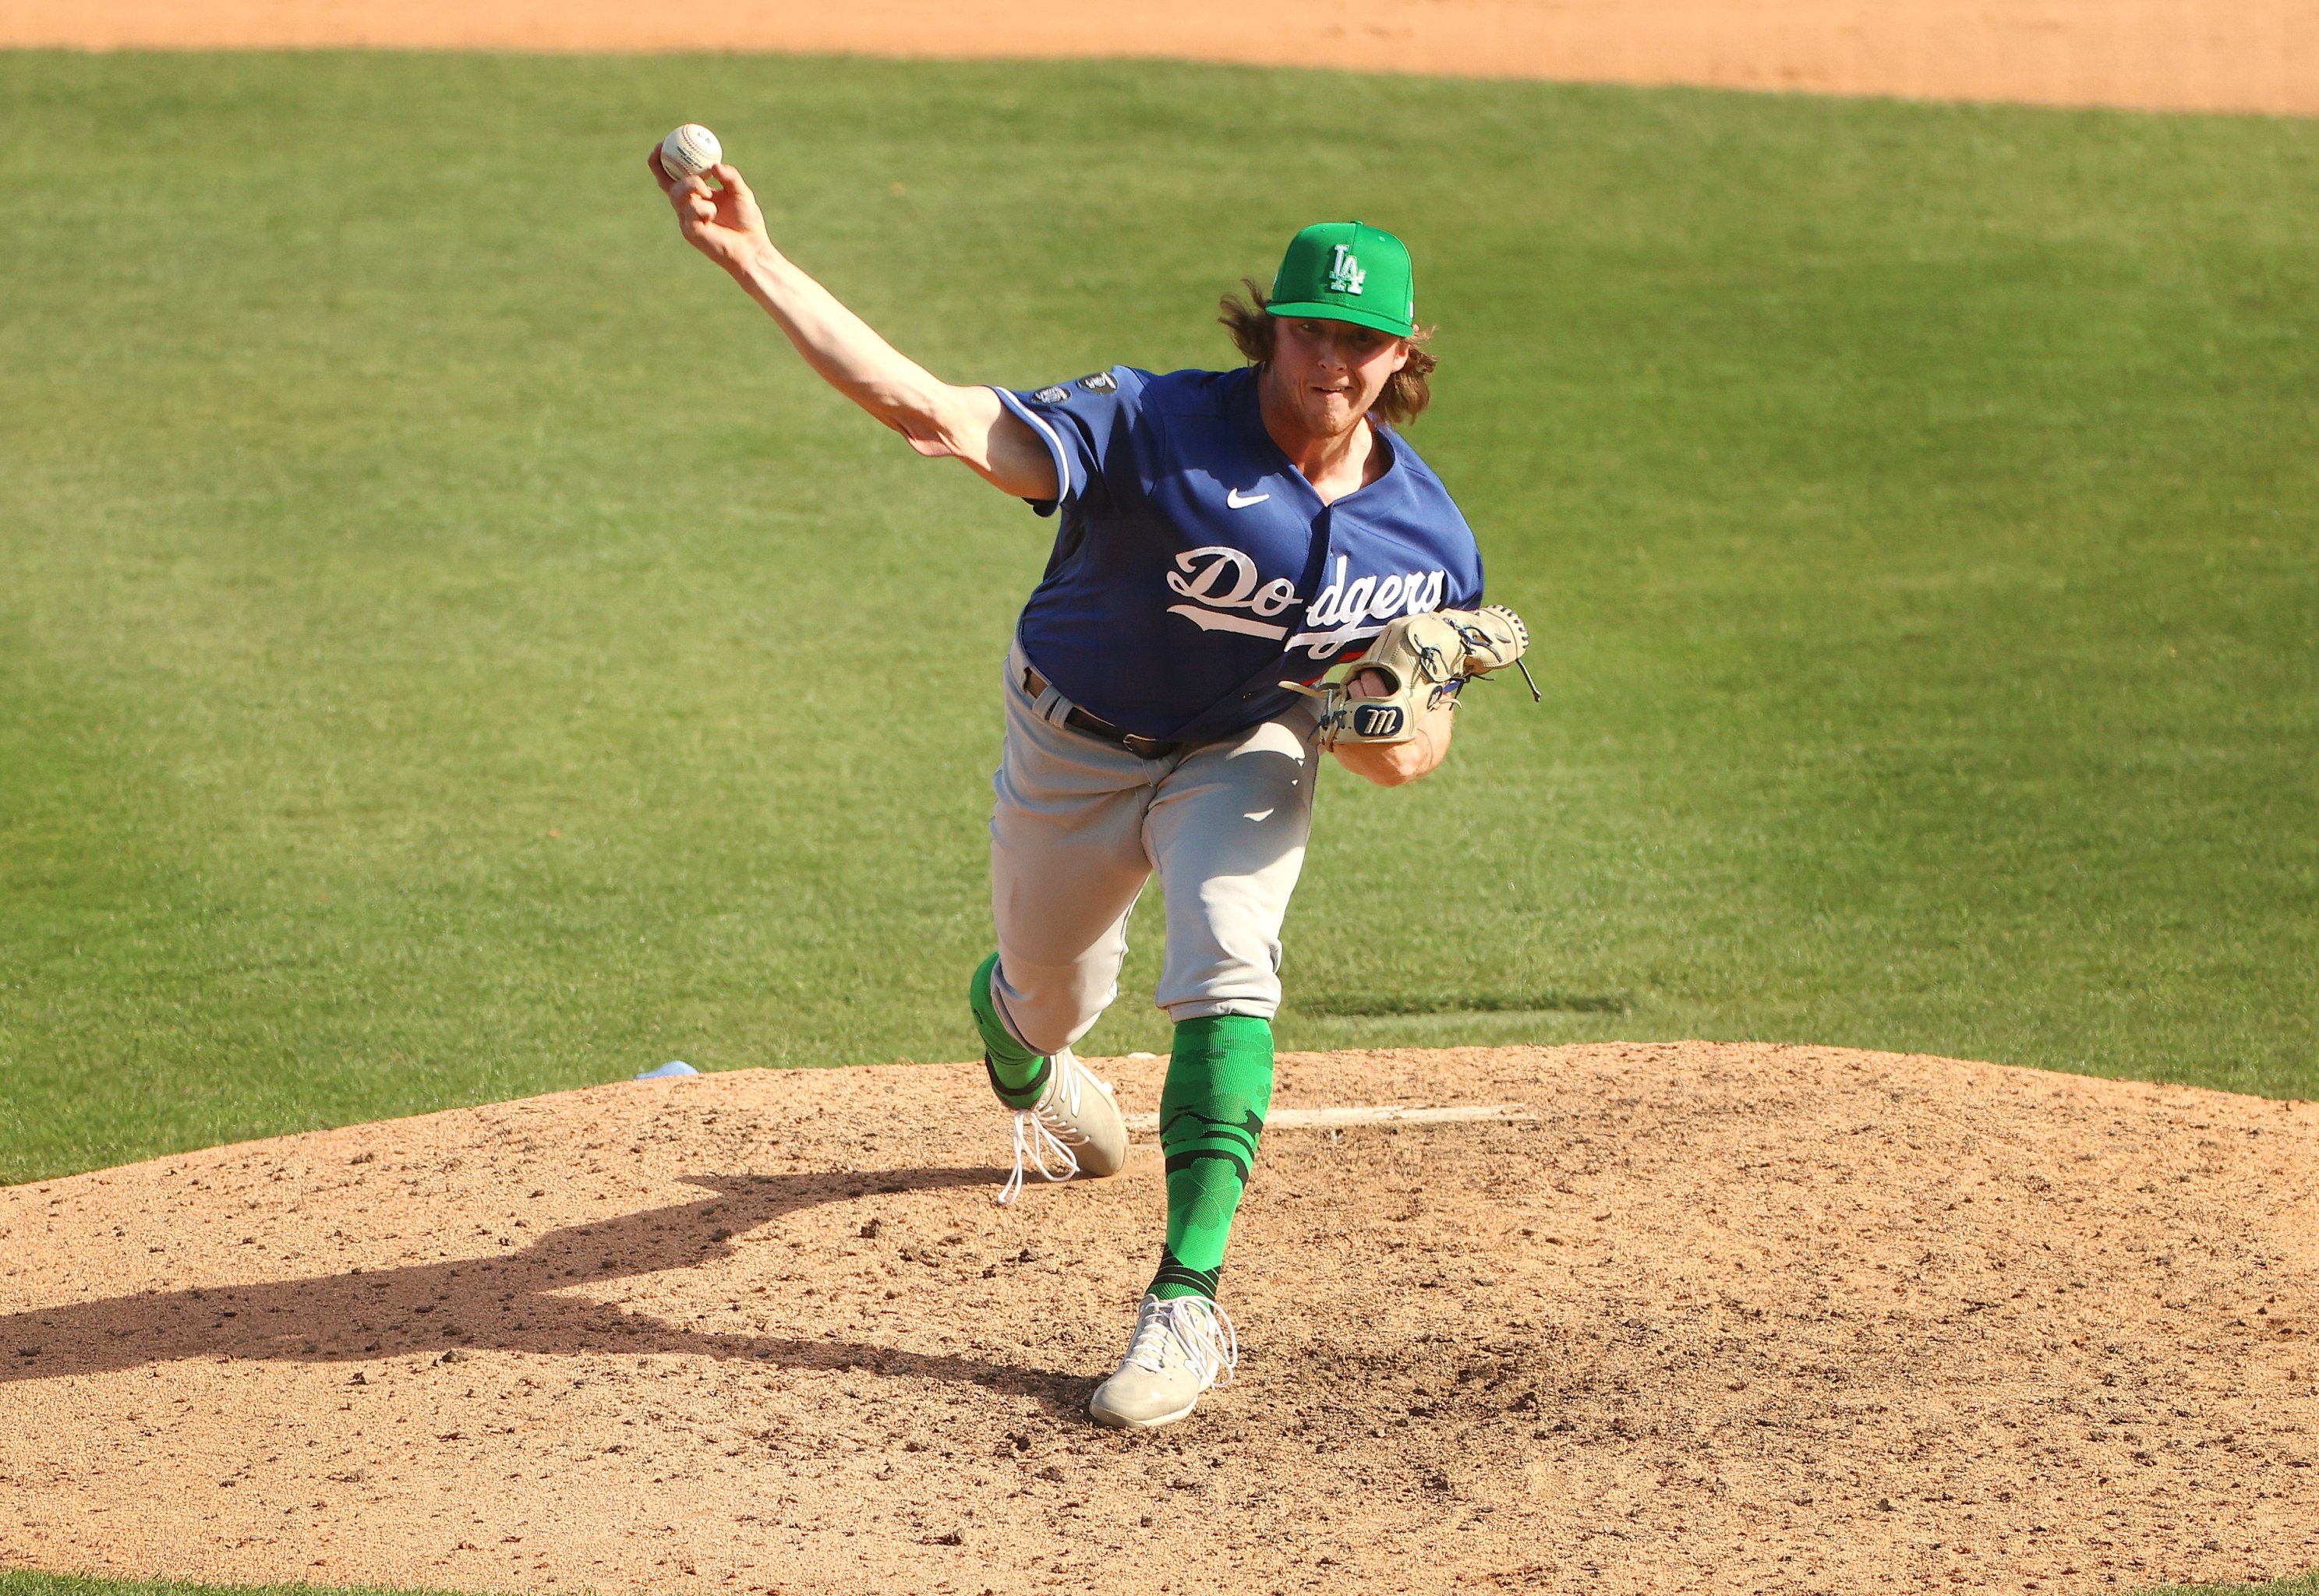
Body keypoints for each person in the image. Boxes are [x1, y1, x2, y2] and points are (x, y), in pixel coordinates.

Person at [650, 147, 1519, 1429]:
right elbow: (932, 416)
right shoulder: (1149, 423)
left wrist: (1374, 717)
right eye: (1312, 333)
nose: (1333, 362)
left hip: (1244, 747)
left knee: (1231, 959)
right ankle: (1020, 1047)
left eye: (1365, 341)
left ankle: (1187, 1297)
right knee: (1052, 991)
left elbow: (1409, 752)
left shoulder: (1429, 539)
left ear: (1406, 357)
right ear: (1268, 332)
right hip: (1071, 743)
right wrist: (753, 258)